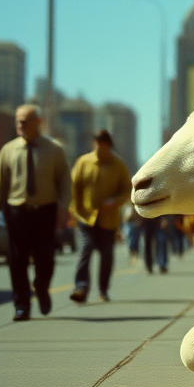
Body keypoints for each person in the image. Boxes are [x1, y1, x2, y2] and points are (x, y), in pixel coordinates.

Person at [0, 104, 72, 321]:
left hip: (45, 211)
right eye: (17, 121)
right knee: (17, 260)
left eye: (24, 121)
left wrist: (63, 208)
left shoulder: (54, 149)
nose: (19, 125)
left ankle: (41, 288)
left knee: (46, 258)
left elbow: (64, 180)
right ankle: (21, 305)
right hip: (17, 212)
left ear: (38, 122)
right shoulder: (8, 150)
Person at [69, 130, 133, 303]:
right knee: (85, 249)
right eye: (96, 144)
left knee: (106, 255)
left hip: (108, 220)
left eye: (102, 145)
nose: (99, 148)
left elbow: (127, 191)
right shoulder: (83, 162)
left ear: (109, 146)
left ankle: (103, 289)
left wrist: (115, 201)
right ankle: (81, 287)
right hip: (86, 217)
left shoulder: (118, 165)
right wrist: (74, 209)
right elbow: (74, 187)